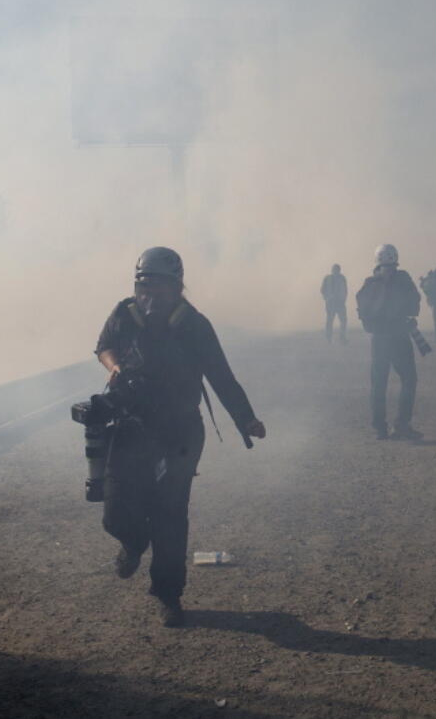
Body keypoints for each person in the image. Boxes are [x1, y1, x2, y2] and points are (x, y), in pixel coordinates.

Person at [94, 247, 266, 627]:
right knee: (115, 510)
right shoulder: (124, 314)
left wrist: (246, 419)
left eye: (159, 287)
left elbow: (221, 376)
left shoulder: (195, 325)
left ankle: (168, 596)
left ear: (177, 287)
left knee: (170, 515)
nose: (150, 295)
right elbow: (103, 346)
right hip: (130, 425)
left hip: (179, 431)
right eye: (144, 286)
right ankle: (133, 542)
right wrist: (116, 365)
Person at [356, 244, 423, 440]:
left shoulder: (369, 284)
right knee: (409, 379)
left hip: (380, 339)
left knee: (379, 383)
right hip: (398, 336)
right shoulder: (403, 279)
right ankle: (402, 424)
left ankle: (380, 428)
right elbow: (414, 303)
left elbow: (363, 309)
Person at [320, 264, 348, 344]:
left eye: (337, 270)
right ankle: (329, 338)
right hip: (331, 303)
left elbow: (345, 289)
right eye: (335, 270)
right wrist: (327, 298)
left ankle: (342, 338)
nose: (336, 271)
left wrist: (343, 299)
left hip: (340, 302)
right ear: (332, 270)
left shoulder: (342, 278)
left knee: (343, 320)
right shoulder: (327, 278)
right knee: (330, 320)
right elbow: (322, 290)